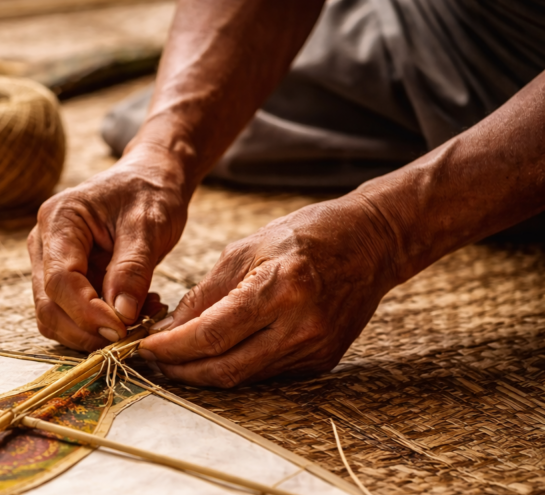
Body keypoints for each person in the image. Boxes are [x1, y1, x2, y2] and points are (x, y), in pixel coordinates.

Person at [27, 0, 545, 388]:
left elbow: (382, 229)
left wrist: (386, 230)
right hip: (452, 29)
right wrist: (161, 152)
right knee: (139, 122)